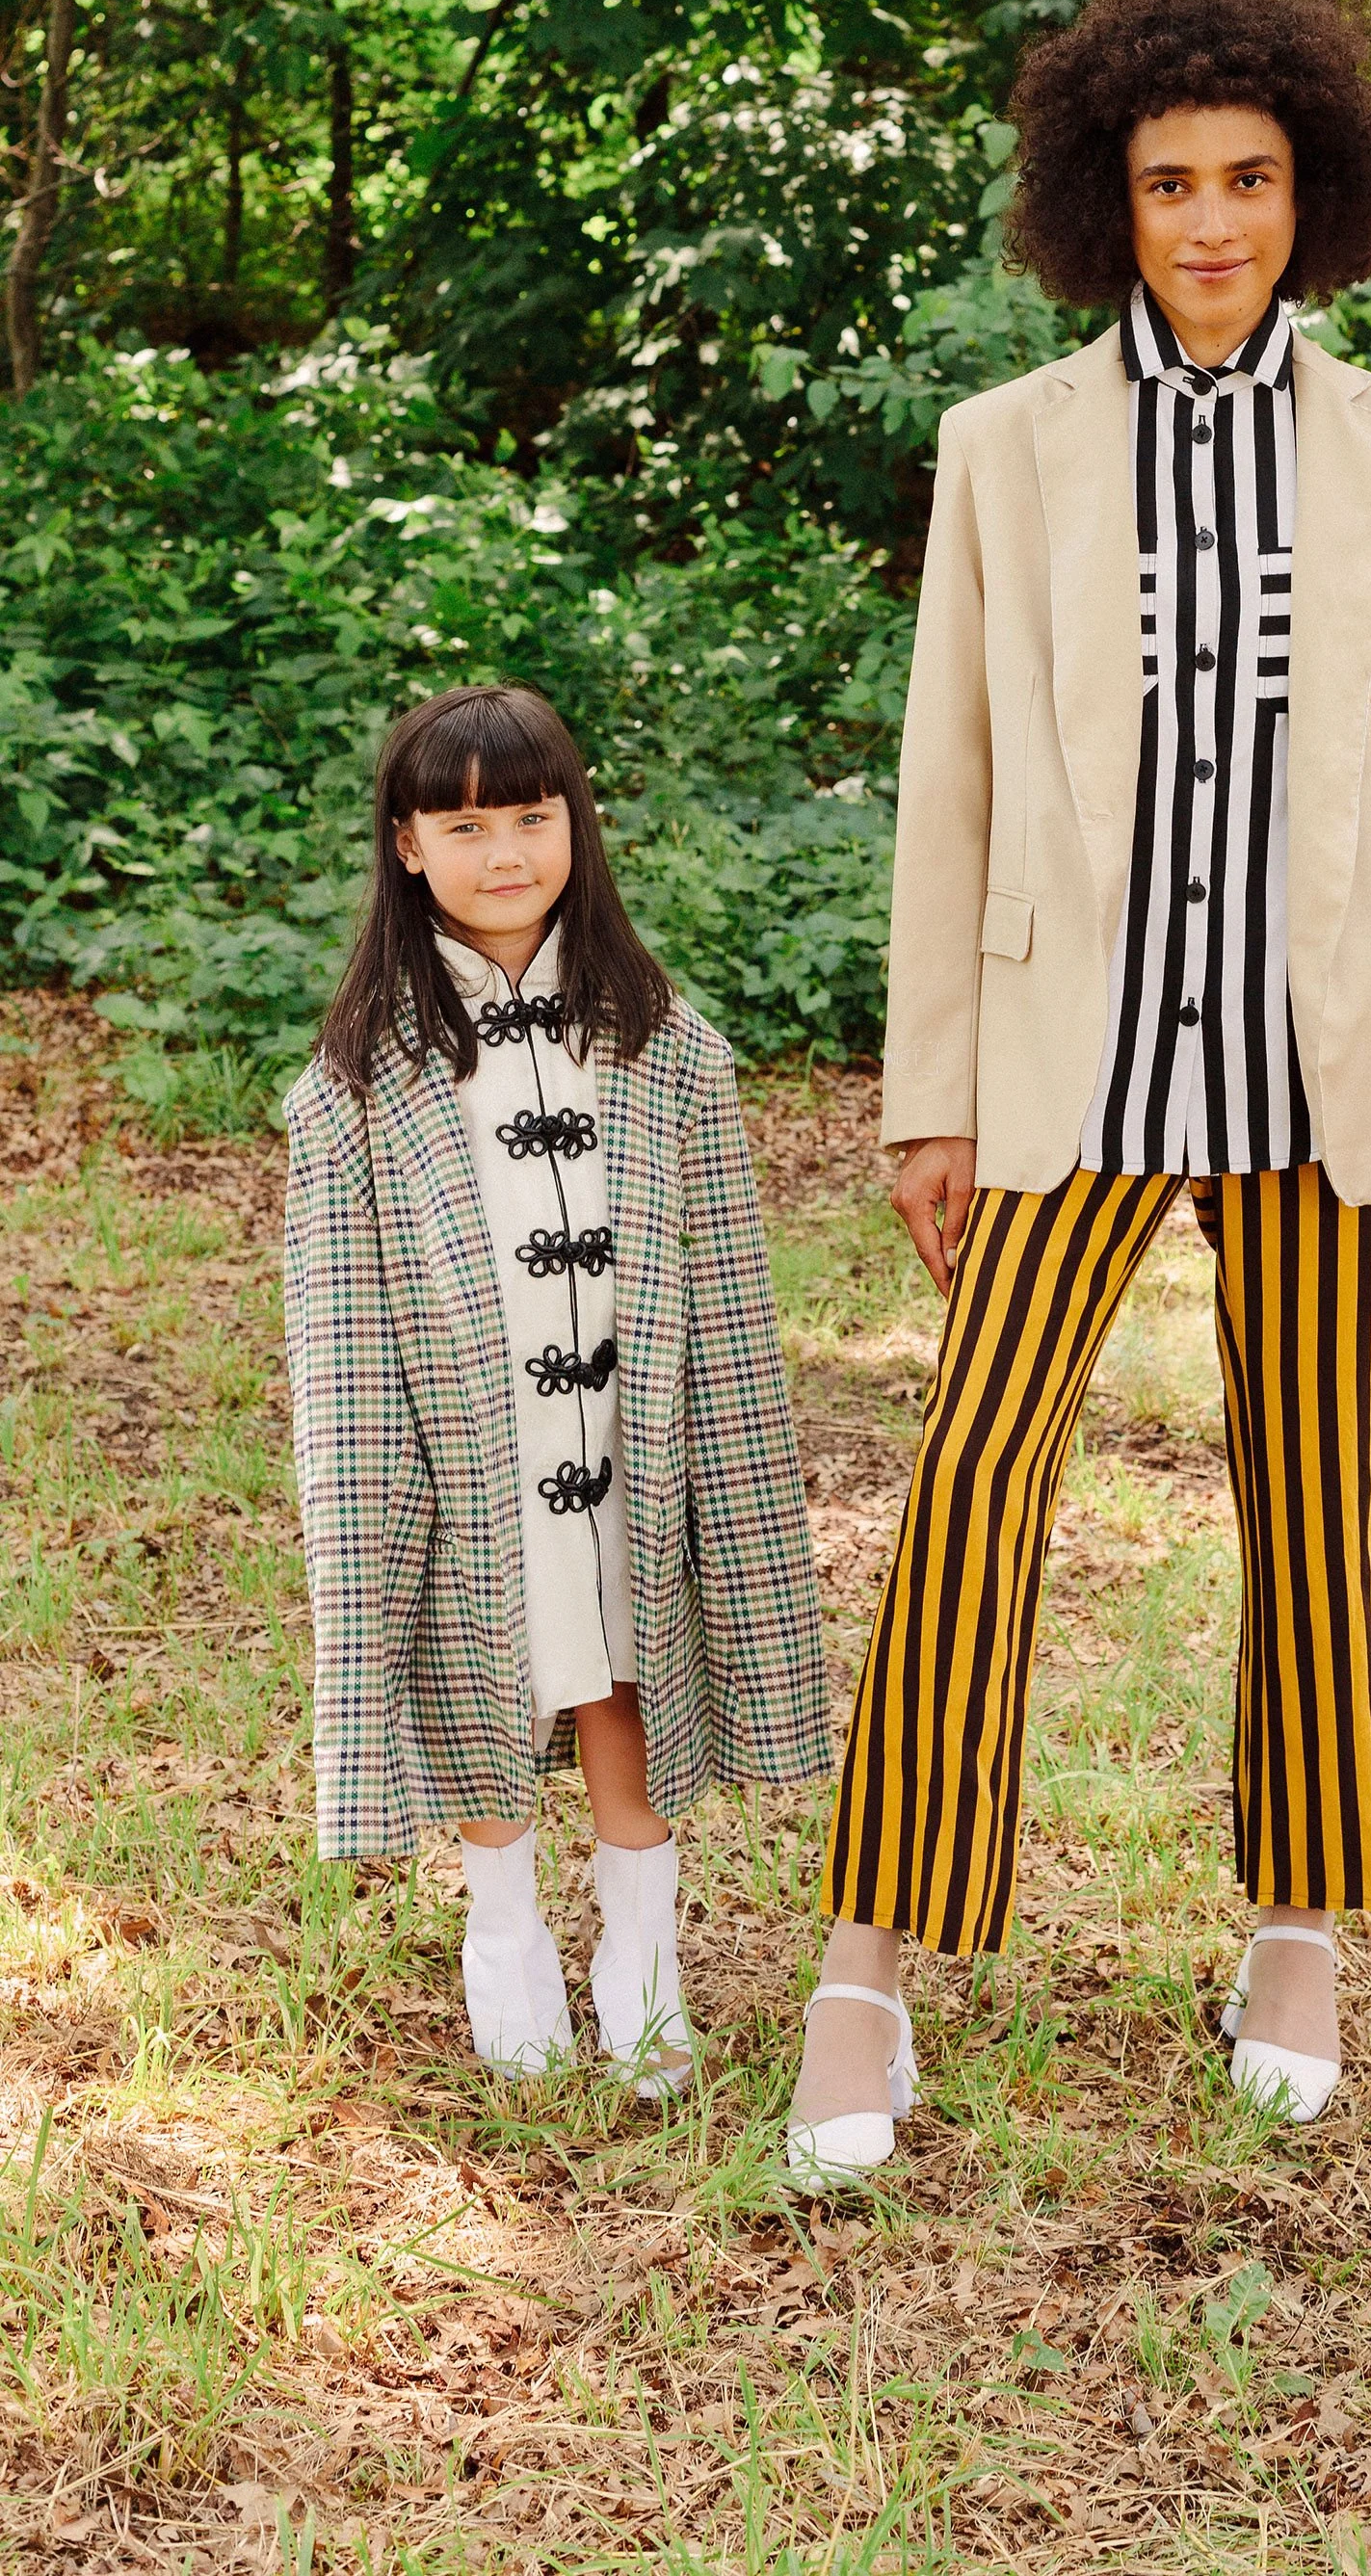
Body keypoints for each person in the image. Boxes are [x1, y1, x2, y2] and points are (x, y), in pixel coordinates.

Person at [786, 0, 1371, 2187]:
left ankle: (1294, 1933)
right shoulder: (1005, 450)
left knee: (1311, 1504)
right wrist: (931, 1085)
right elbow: (953, 778)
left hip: (1329, 1064)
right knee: (966, 1498)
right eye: (1171, 182)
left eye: (1252, 179)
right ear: (1103, 201)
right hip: (1062, 1055)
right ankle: (862, 1970)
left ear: (1321, 194)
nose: (1213, 221)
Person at [283, 682, 829, 2088]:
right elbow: (338, 1337)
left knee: (623, 1677)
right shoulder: (356, 1084)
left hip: (632, 1445)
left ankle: (641, 1948)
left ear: (575, 824)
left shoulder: (670, 1050)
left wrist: (728, 1468)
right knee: (478, 1684)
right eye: (465, 823)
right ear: (407, 846)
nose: (506, 851)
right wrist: (369, 1498)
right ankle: (507, 1931)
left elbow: (729, 1303)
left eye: (533, 815)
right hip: (463, 1456)